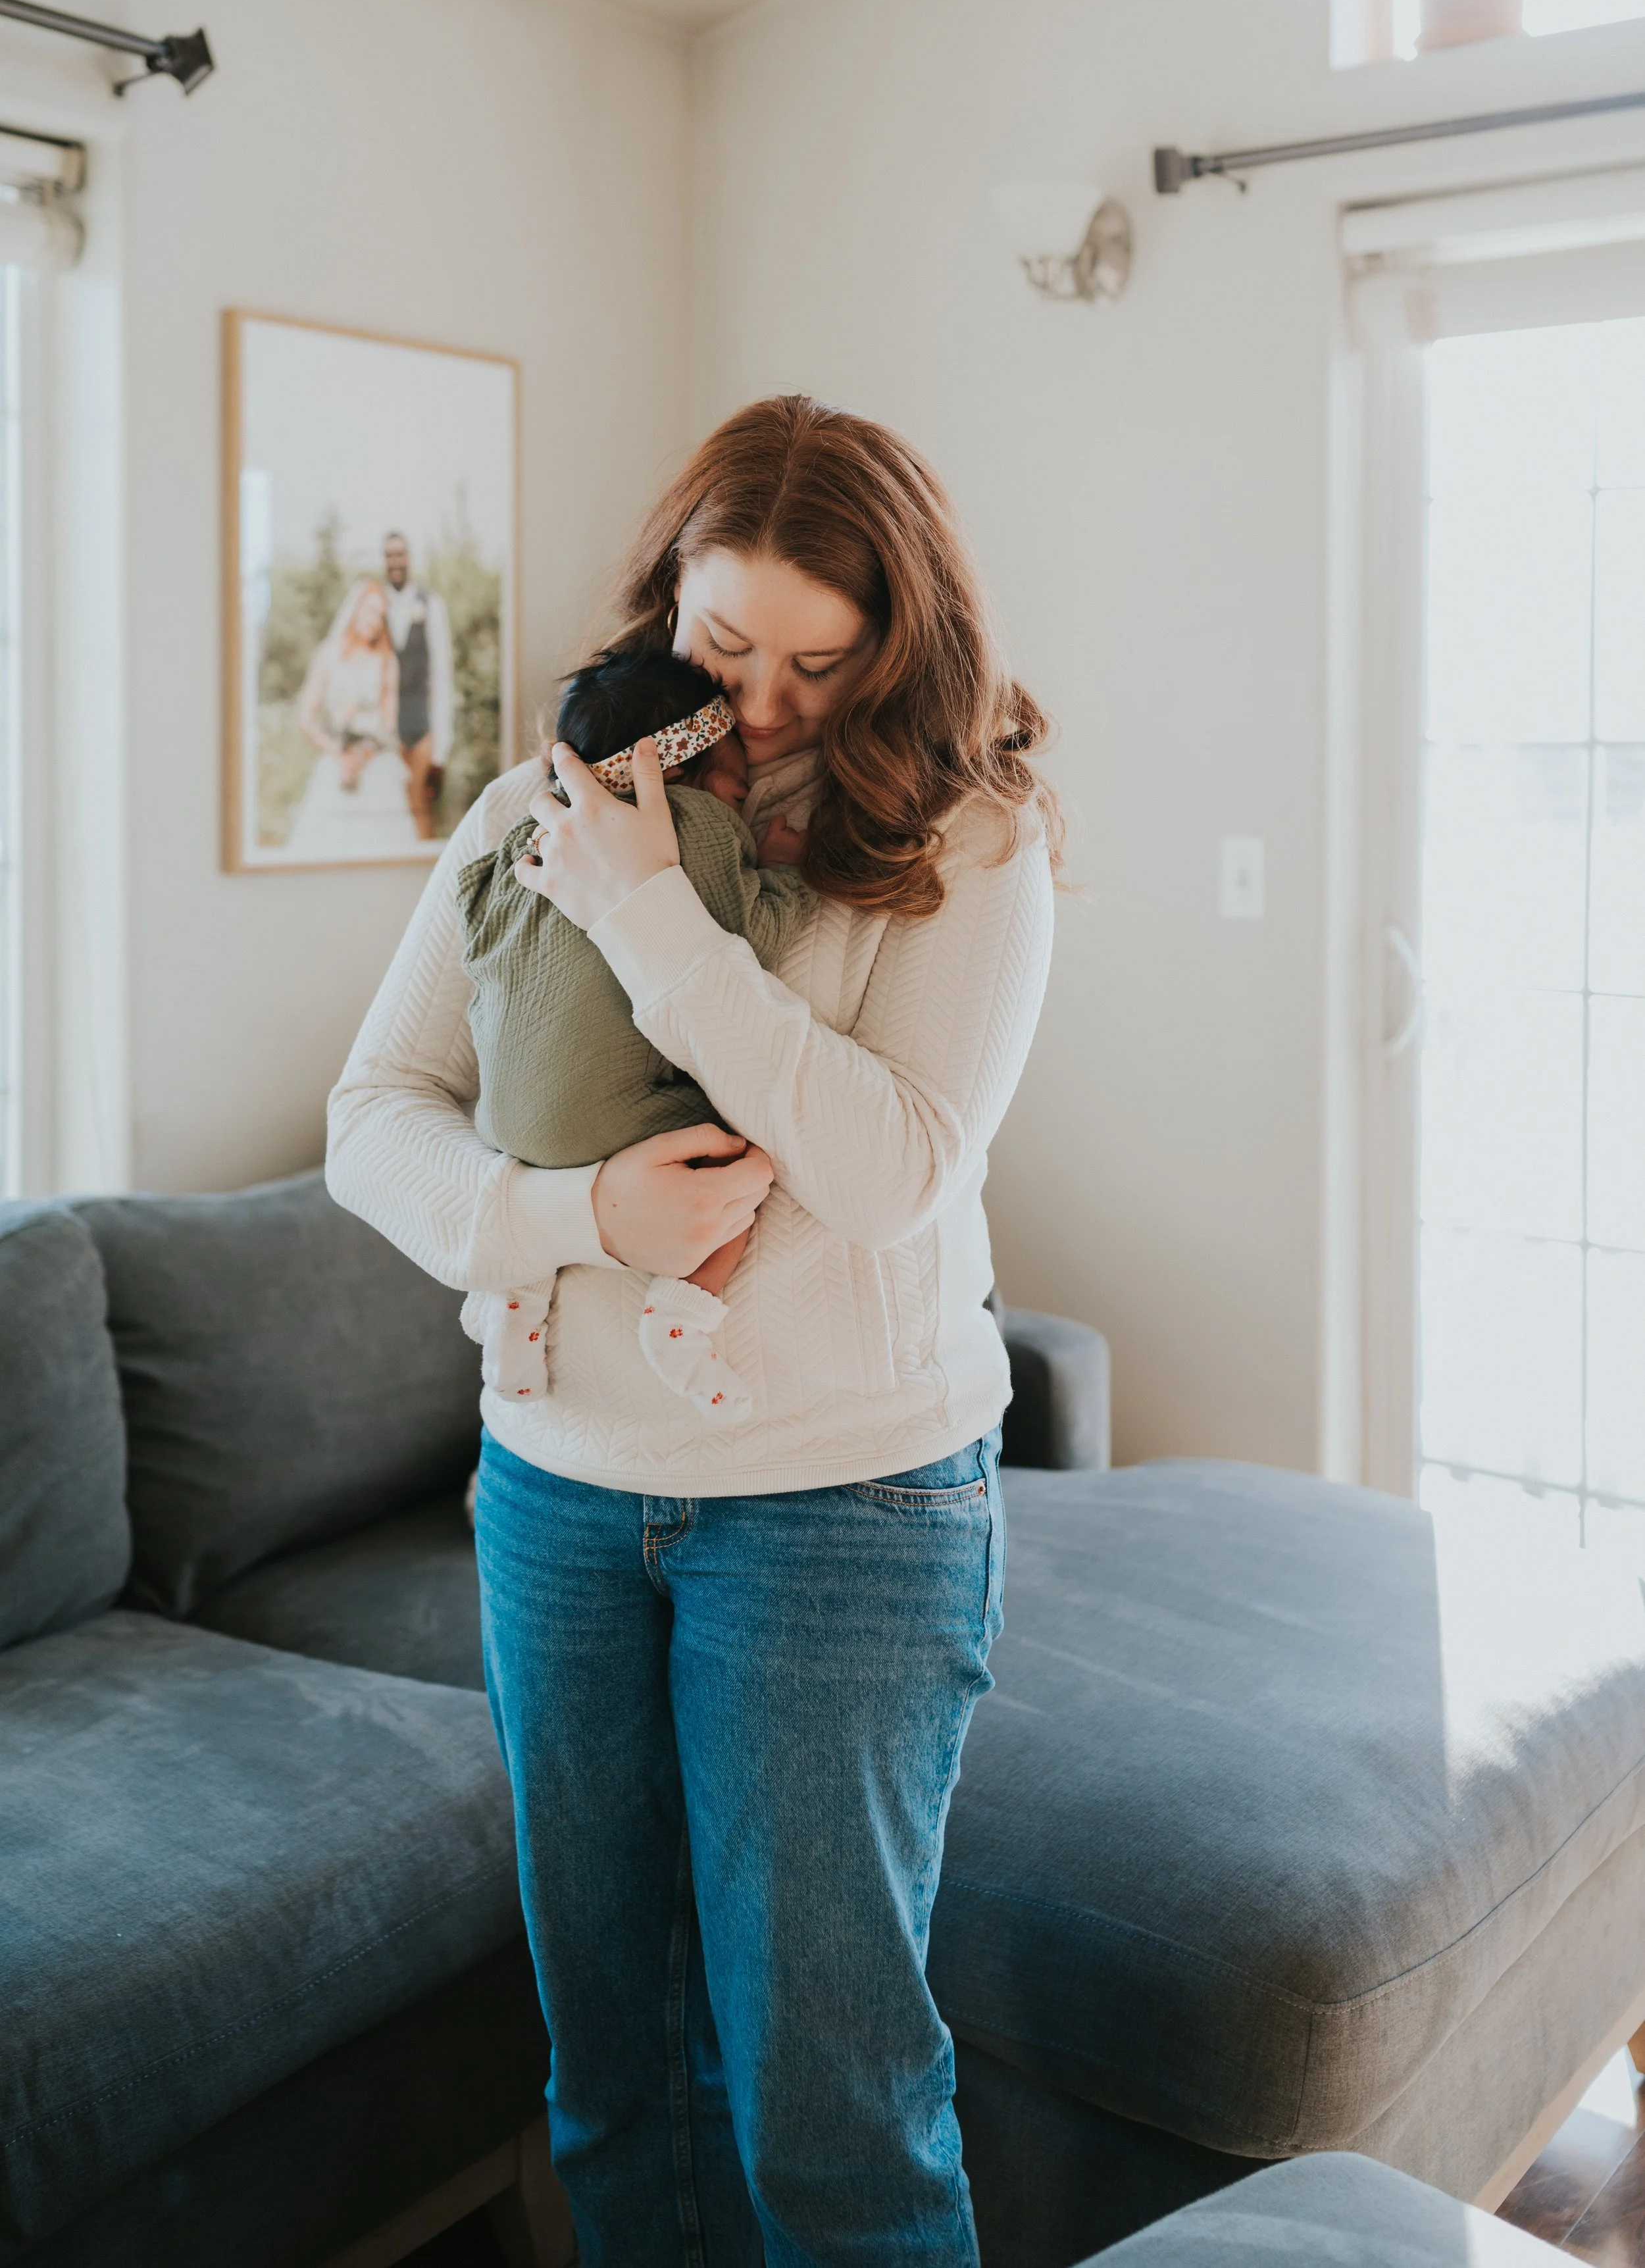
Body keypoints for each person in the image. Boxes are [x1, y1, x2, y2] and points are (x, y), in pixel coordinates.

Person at [327, 395, 1058, 2265]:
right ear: (668, 598)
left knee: (833, 2107)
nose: (773, 699)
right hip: (555, 1502)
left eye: (826, 661)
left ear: (901, 644)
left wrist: (656, 916)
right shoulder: (532, 810)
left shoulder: (968, 843)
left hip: (843, 1511)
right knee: (612, 2073)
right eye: (729, 645)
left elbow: (891, 1166)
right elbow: (375, 1115)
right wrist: (574, 1217)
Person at [457, 641, 814, 1415]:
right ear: (681, 769)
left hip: (501, 1127)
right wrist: (782, 868)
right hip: (611, 1122)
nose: (741, 795)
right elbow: (745, 935)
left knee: (544, 1138)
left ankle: (514, 1300)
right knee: (743, 1149)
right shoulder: (690, 822)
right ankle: (683, 1313)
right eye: (737, 777)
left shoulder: (527, 832)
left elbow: (473, 922)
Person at [288, 580, 420, 858]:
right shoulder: (329, 654)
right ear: (356, 608)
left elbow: (389, 722)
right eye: (370, 611)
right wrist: (338, 752)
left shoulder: (387, 660)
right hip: (337, 761)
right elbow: (306, 718)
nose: (375, 621)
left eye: (381, 616)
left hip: (375, 762)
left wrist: (365, 753)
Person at [382, 530, 455, 839]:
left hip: (420, 722)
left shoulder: (431, 603)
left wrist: (442, 747)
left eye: (400, 554)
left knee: (420, 809)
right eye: (389, 555)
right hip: (385, 726)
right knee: (389, 810)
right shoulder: (375, 604)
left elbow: (442, 673)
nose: (395, 561)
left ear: (408, 558)